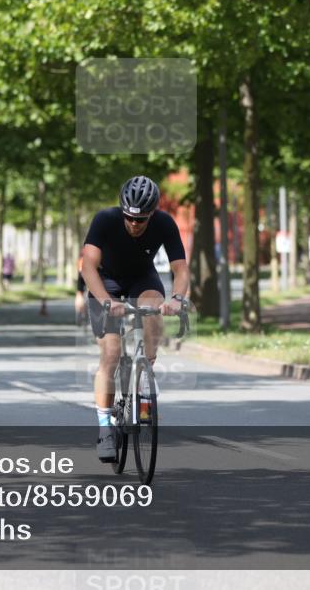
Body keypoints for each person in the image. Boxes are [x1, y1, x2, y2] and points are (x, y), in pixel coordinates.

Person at [81, 176, 189, 461]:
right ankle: (105, 427)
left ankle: (145, 376)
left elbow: (180, 269)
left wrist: (176, 299)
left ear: (152, 214)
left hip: (142, 277)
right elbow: (88, 266)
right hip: (105, 281)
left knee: (154, 307)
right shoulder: (105, 220)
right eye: (129, 217)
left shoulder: (164, 223)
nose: (134, 224)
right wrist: (105, 300)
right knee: (112, 353)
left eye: (141, 220)